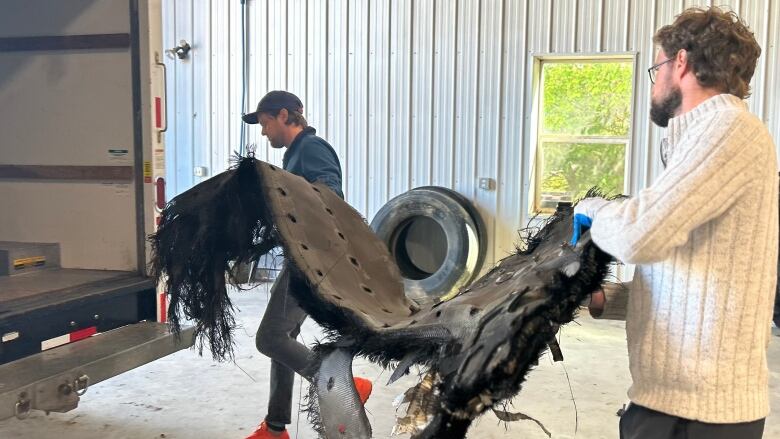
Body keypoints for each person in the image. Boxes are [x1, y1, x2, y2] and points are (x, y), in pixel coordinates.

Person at [573, 7, 776, 439]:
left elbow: (638, 236)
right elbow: (701, 278)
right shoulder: (708, 137)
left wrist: (591, 208)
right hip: (676, 408)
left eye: (656, 68)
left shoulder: (728, 128)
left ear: (679, 62)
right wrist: (605, 300)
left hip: (698, 418)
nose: (654, 83)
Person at [241, 91, 372, 439]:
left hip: (314, 260)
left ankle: (343, 384)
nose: (264, 132)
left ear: (284, 116)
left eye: (266, 123)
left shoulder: (312, 149)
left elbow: (329, 193)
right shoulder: (294, 155)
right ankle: (275, 428)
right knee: (284, 337)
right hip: (304, 257)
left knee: (269, 337)